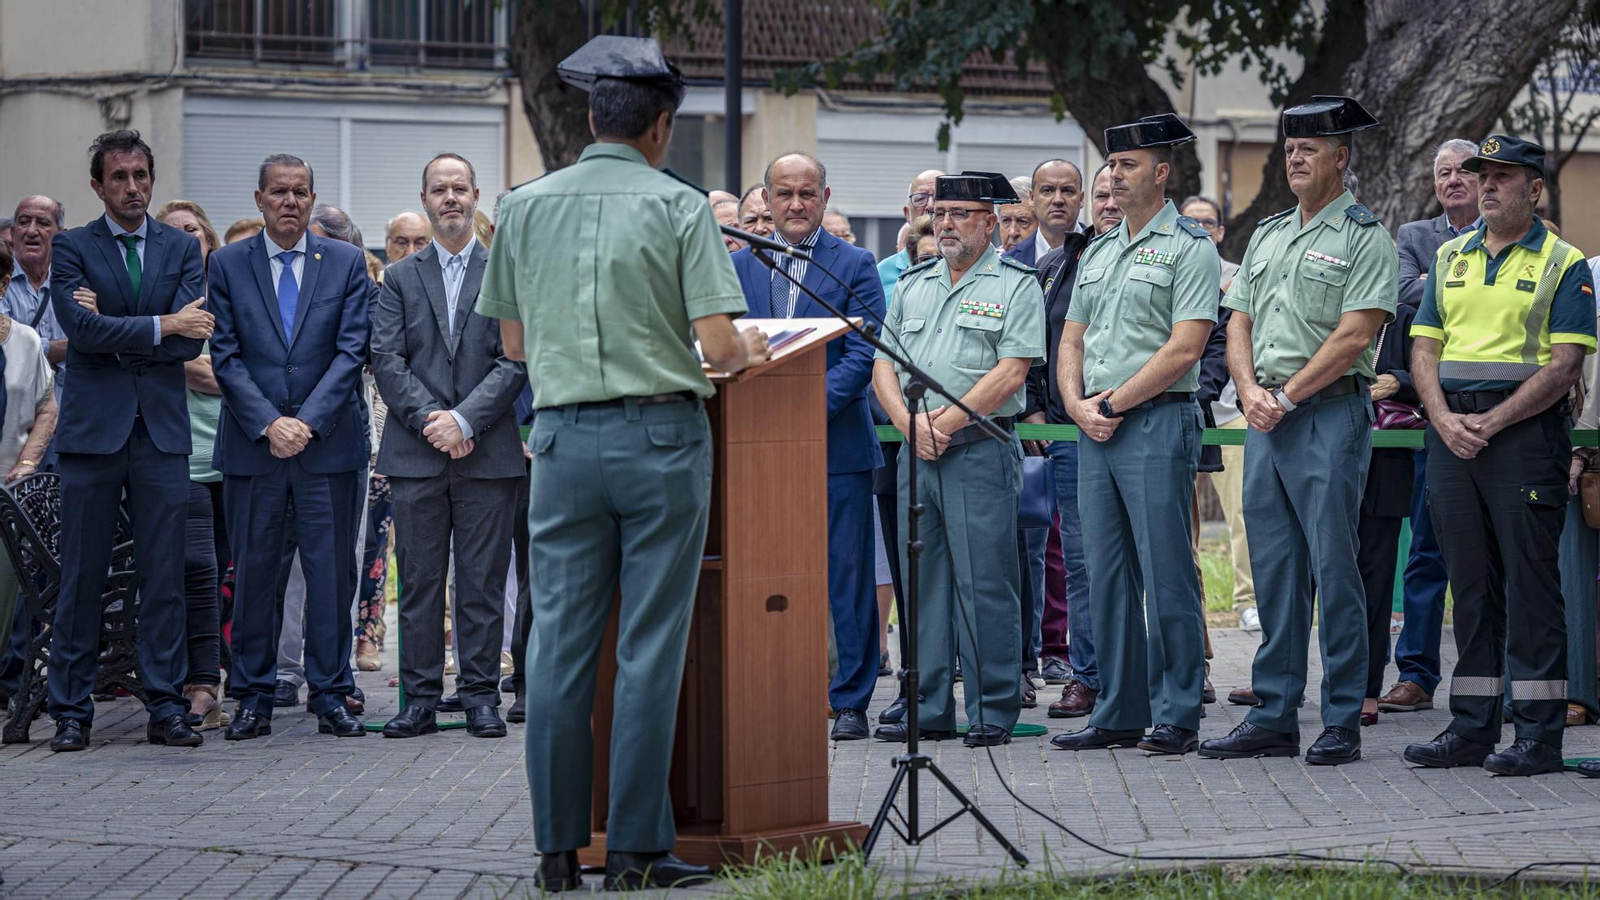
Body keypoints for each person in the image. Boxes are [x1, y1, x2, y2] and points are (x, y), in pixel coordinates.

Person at [478, 35, 769, 893]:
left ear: (590, 119)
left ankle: (556, 853)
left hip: (562, 441)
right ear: (661, 126)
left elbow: (513, 344)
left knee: (557, 648)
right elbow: (719, 343)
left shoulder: (523, 205)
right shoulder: (681, 205)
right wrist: (747, 348)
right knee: (649, 646)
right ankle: (637, 852)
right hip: (660, 441)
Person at [1198, 96, 1395, 766]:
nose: (1296, 158)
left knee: (1335, 570)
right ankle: (1275, 714)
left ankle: (1341, 716)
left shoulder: (1365, 235)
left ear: (1341, 157)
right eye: (1289, 149)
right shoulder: (1270, 233)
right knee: (1275, 571)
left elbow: (1355, 335)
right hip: (1266, 417)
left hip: (1328, 414)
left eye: (1309, 149)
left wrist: (1283, 394)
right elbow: (1239, 321)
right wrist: (1251, 390)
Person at [1403, 135, 1595, 776]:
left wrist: (1492, 420)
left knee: (1531, 587)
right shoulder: (1449, 255)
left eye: (1501, 176)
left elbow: (1565, 364)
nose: (1486, 185)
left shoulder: (1564, 263)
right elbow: (1423, 349)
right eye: (1481, 175)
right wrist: (1442, 418)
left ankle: (1538, 736)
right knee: (1470, 587)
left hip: (1523, 438)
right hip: (1452, 433)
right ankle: (1471, 728)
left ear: (1534, 189)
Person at [1049, 115, 1218, 755]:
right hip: (1096, 424)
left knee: (1167, 570)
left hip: (1155, 419)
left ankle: (1177, 710)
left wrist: (1111, 402)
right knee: (1106, 572)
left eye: (1128, 165)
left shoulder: (1190, 246)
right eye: (1112, 165)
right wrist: (1075, 403)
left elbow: (1186, 347)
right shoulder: (1097, 250)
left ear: (1162, 173)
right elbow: (1072, 339)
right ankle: (1119, 709)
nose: (1115, 176)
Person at [45, 129, 213, 751]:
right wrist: (163, 322)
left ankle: (166, 707)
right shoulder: (72, 245)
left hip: (161, 434)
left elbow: (192, 341)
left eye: (141, 175)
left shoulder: (180, 247)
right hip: (93, 435)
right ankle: (70, 711)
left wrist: (116, 327)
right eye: (119, 177)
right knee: (82, 576)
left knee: (164, 575)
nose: (133, 187)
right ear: (98, 186)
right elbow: (81, 333)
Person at [870, 171, 1044, 748]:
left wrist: (943, 424)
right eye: (940, 213)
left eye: (959, 214)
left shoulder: (1015, 284)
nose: (945, 223)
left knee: (985, 583)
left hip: (979, 452)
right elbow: (883, 364)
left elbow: (1011, 371)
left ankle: (993, 707)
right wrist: (908, 424)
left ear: (988, 223)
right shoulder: (913, 283)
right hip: (916, 454)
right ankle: (930, 705)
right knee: (922, 585)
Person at [208, 153, 371, 742]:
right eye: (279, 192)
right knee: (255, 576)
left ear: (312, 199)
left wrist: (305, 422)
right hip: (255, 450)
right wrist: (270, 423)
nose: (290, 202)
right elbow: (225, 355)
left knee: (330, 578)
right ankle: (253, 697)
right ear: (259, 200)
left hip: (328, 449)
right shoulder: (227, 263)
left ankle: (330, 694)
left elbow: (351, 351)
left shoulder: (345, 262)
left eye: (301, 192)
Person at [728, 152, 886, 741]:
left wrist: (801, 413)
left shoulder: (855, 264)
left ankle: (850, 702)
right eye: (784, 194)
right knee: (765, 577)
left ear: (825, 197)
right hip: (757, 453)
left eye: (806, 193)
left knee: (846, 578)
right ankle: (775, 690)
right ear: (766, 200)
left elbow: (864, 354)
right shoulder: (737, 267)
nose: (795, 204)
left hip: (836, 450)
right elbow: (722, 349)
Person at [372, 153, 527, 740]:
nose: (450, 198)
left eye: (460, 188)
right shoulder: (400, 277)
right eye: (439, 189)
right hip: (417, 454)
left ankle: (481, 697)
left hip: (487, 452)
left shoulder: (504, 271)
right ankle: (419, 700)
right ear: (425, 199)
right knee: (419, 583)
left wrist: (465, 421)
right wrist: (433, 421)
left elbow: (514, 359)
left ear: (476, 196)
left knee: (482, 582)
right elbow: (387, 359)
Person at [1378, 138, 1479, 715]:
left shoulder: (1514, 237)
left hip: (1495, 413)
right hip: (1427, 413)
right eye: (1444, 173)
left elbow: (1424, 296)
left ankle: (1493, 677)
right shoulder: (1415, 235)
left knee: (1491, 558)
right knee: (1426, 553)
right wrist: (1470, 286)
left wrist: (1433, 286)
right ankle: (1416, 675)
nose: (1454, 180)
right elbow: (1400, 295)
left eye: (1464, 170)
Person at [1039, 163, 1114, 718]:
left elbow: (1206, 336)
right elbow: (1036, 341)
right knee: (1084, 560)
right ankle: (1088, 677)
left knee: (1158, 559)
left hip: (1143, 423)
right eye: (1103, 194)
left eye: (1119, 190)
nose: (1111, 202)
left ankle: (1173, 675)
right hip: (1071, 432)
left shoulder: (1176, 252)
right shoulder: (1059, 263)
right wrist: (1039, 408)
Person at [158, 199, 231, 731]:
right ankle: (201, 684)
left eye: (192, 229)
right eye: (173, 231)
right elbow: (193, 367)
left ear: (207, 239)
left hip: (235, 454)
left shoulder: (228, 295)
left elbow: (238, 367)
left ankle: (218, 675)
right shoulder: (154, 300)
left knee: (226, 573)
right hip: (181, 457)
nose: (185, 237)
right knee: (198, 570)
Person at [0, 241, 59, 678]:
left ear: (4, 284)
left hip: (7, 490)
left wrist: (26, 465)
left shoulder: (25, 340)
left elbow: (47, 408)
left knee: (7, 597)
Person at [5, 196, 69, 396]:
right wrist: (65, 348)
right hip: (13, 408)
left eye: (43, 223)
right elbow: (5, 345)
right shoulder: (2, 282)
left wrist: (31, 352)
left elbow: (93, 341)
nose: (31, 231)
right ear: (13, 233)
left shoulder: (73, 282)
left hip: (67, 407)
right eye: (24, 222)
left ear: (60, 236)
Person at [876, 169, 944, 296]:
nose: (930, 206)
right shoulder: (881, 273)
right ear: (907, 214)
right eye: (920, 199)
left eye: (939, 197)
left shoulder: (968, 265)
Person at [1005, 159, 1083, 267]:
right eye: (1047, 190)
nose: (1058, 200)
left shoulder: (1101, 251)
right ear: (1032, 198)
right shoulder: (1009, 263)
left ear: (1081, 199)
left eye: (1067, 191)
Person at [998, 178, 1036, 253]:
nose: (1012, 232)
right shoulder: (989, 260)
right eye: (1006, 221)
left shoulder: (1056, 259)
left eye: (1023, 221)